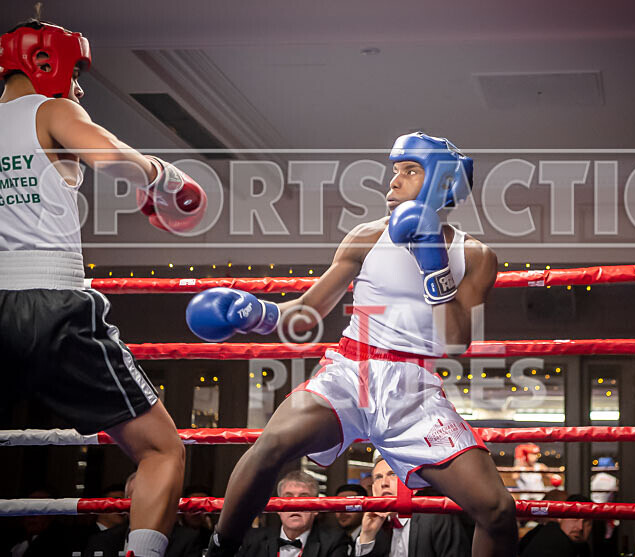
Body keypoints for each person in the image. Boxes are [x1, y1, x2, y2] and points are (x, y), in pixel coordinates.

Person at [189, 132, 518, 557]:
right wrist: (258, 314)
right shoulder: (367, 236)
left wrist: (432, 261)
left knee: (497, 509)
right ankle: (219, 550)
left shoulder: (475, 255)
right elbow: (308, 309)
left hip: (414, 390)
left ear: (442, 182)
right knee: (271, 445)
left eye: (409, 171)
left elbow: (455, 343)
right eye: (394, 171)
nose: (392, 183)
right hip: (349, 371)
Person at [0, 18, 208, 557]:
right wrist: (165, 177)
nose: (80, 87)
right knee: (162, 450)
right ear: (49, 63)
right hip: (52, 305)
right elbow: (111, 155)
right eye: (78, 72)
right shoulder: (51, 110)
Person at [353, 456, 470, 557]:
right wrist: (367, 536)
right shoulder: (372, 526)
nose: (384, 483)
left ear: (413, 487)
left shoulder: (436, 519)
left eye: (393, 474)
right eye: (378, 477)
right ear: (373, 489)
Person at [82, 473, 207, 557]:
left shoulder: (186, 540)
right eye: (137, 496)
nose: (146, 501)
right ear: (125, 502)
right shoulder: (101, 540)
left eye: (153, 495)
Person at [237, 471, 350, 557]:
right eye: (288, 497)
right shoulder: (253, 539)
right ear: (278, 508)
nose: (295, 504)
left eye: (303, 497)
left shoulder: (334, 541)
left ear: (316, 509)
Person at [332, 483, 369, 553]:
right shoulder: (335, 540)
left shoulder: (375, 538)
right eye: (338, 506)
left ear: (364, 507)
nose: (342, 511)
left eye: (349, 505)